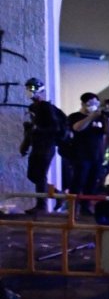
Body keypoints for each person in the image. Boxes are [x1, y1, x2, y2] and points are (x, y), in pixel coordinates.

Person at [19, 78, 63, 214]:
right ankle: (57, 194)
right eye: (27, 88)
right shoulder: (33, 108)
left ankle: (41, 205)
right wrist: (25, 144)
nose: (29, 91)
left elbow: (55, 127)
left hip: (47, 145)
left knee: (40, 175)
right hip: (37, 145)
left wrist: (39, 130)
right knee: (32, 175)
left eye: (31, 88)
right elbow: (32, 128)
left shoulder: (46, 107)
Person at [67, 93, 109, 214]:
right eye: (91, 103)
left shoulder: (100, 118)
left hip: (96, 156)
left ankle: (85, 208)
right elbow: (77, 128)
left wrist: (107, 117)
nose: (94, 106)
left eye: (96, 103)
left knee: (92, 184)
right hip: (81, 156)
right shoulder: (75, 116)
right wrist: (91, 116)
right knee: (78, 182)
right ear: (83, 103)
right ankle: (72, 209)